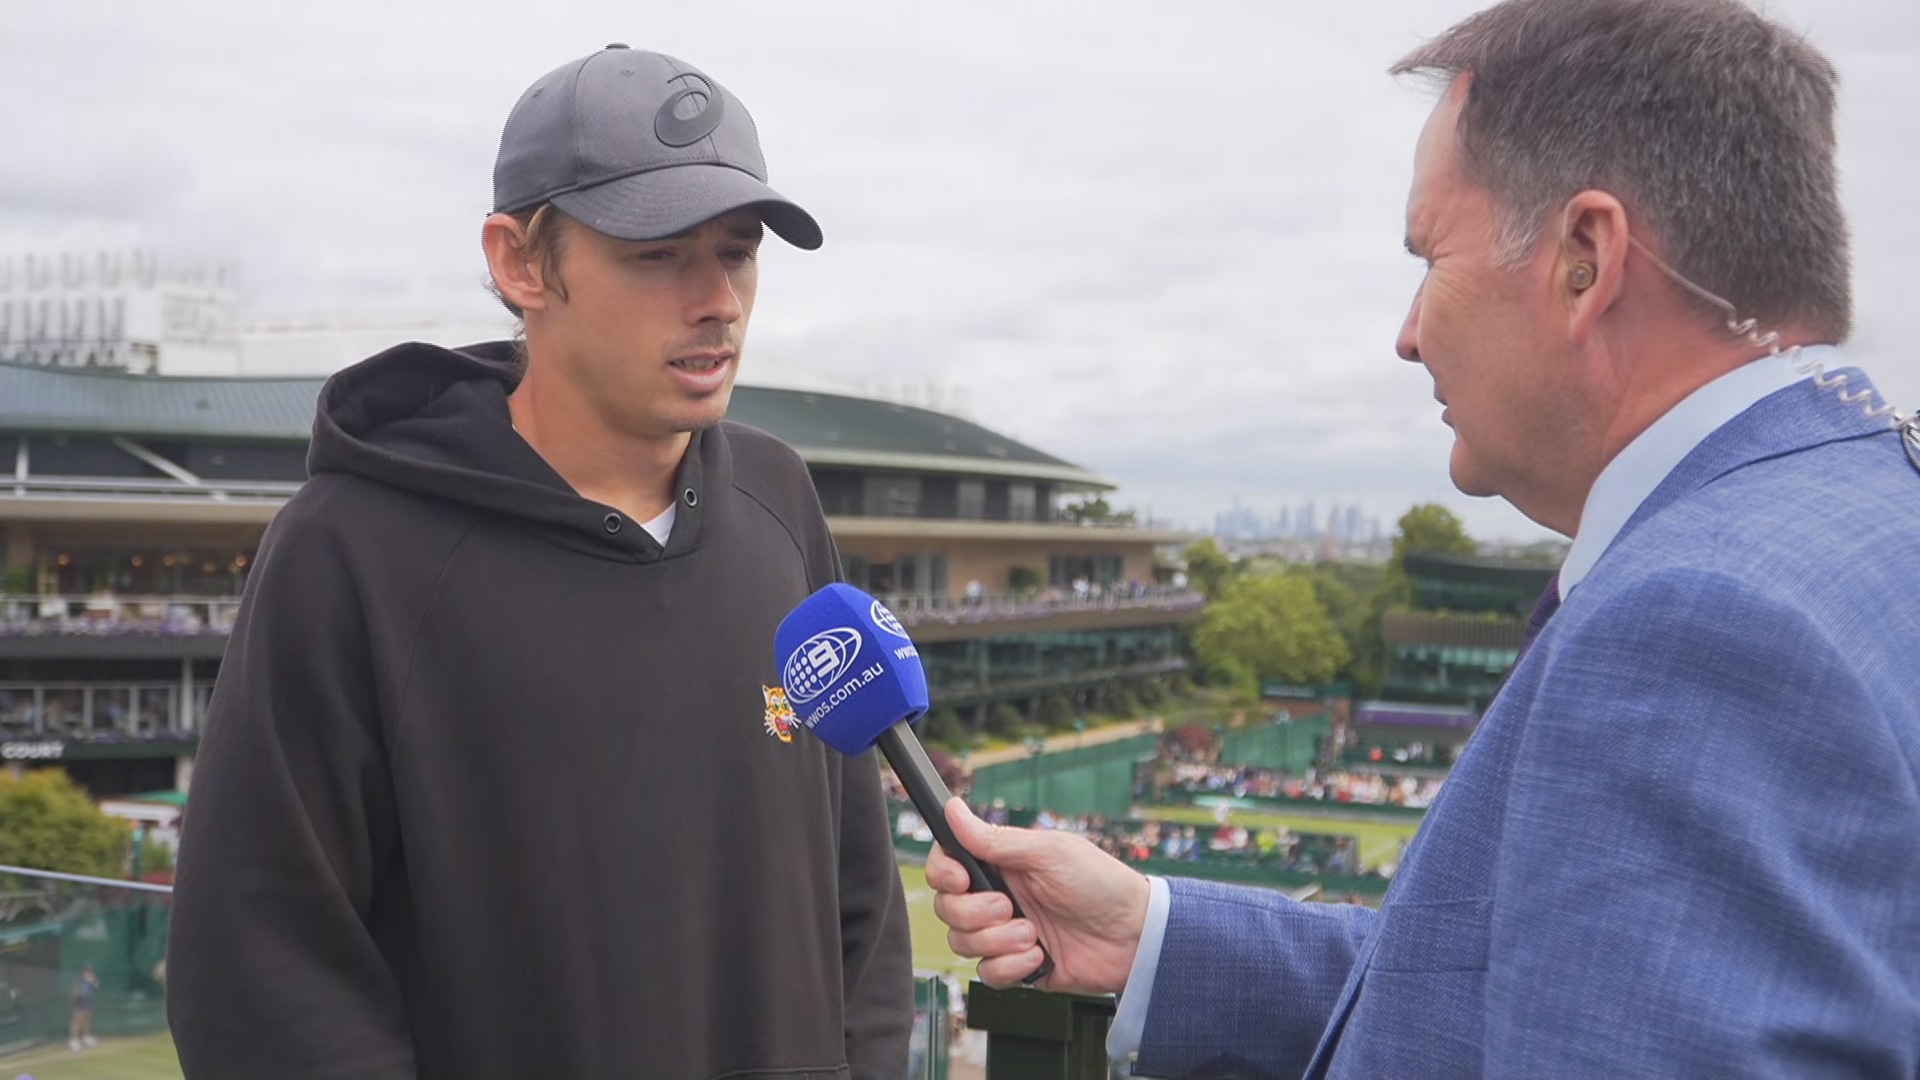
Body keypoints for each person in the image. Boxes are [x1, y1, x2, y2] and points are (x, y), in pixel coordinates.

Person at [929, 1, 1920, 1076]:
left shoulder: (1697, 623)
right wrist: (1150, 936)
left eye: (1427, 257)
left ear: (1586, 258)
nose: (1407, 334)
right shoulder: (1860, 517)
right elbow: (1495, 991)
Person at [167, 45, 911, 1079]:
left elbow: (859, 899)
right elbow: (263, 971)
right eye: (658, 255)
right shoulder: (350, 549)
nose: (718, 301)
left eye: (737, 253)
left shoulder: (779, 499)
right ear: (521, 263)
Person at [67, 965, 96, 1051]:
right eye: (87, 971)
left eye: (90, 971)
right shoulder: (79, 980)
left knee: (86, 1020)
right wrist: (75, 1000)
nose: (89, 973)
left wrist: (92, 980)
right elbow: (74, 991)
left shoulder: (90, 979)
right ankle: (74, 1040)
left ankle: (86, 1037)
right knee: (77, 1021)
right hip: (79, 1001)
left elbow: (96, 986)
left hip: (87, 1001)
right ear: (83, 972)